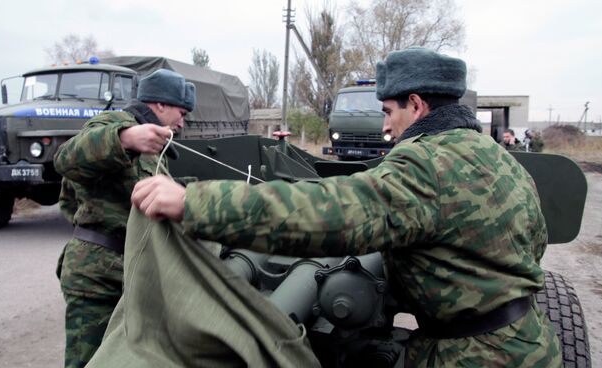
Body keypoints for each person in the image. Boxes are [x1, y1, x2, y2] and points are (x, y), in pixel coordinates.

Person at [131, 47, 561, 367]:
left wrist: (195, 203)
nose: (386, 126)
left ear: (416, 104)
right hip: (527, 341)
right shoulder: (499, 158)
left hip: (473, 356)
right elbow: (534, 241)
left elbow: (332, 214)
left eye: (389, 110)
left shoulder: (425, 162)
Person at [54, 69, 195, 368]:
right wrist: (125, 138)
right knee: (88, 361)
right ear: (160, 105)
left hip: (130, 271)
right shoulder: (118, 125)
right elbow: (66, 158)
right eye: (180, 112)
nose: (182, 122)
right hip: (98, 278)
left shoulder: (156, 147)